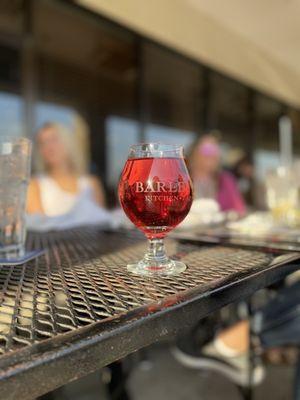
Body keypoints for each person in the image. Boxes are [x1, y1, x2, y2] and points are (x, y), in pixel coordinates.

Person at [27, 122, 106, 217]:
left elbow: (102, 222)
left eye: (54, 139)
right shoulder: (34, 185)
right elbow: (40, 226)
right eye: (42, 143)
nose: (49, 147)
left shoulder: (92, 183)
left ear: (68, 142)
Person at [188, 135, 246, 215]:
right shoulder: (181, 178)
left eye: (216, 150)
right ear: (194, 152)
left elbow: (240, 210)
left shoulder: (226, 179)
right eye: (208, 149)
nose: (212, 154)